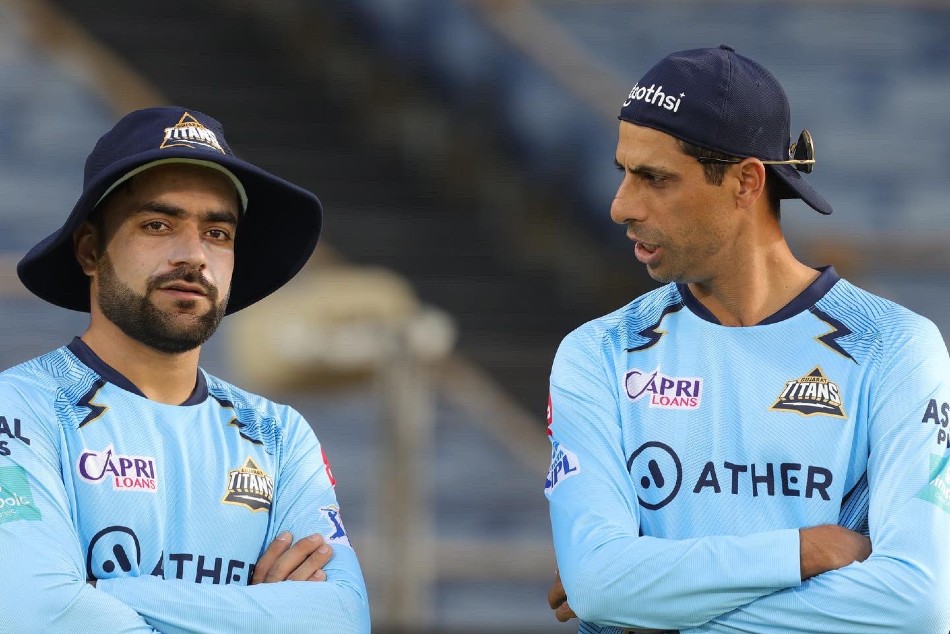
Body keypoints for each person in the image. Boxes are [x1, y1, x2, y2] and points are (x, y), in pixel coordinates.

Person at [544, 45, 950, 633]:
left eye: (654, 178)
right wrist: (804, 553)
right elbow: (601, 584)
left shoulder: (895, 349)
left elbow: (916, 606)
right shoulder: (598, 353)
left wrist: (658, 601)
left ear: (745, 182)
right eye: (623, 172)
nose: (621, 207)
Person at [0, 107, 370, 633]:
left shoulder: (280, 435)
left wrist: (106, 594)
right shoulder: (19, 410)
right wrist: (261, 618)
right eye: (158, 224)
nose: (193, 255)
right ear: (89, 250)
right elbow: (37, 613)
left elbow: (342, 619)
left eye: (217, 233)